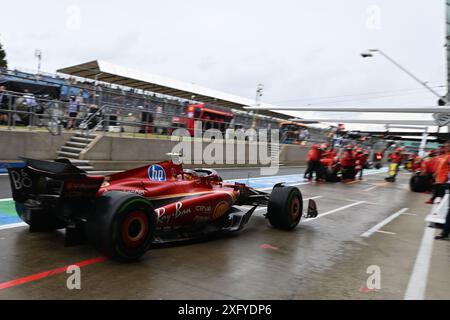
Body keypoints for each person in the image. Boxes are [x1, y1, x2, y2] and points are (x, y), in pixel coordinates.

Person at [435, 142, 450, 240]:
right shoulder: (446, 156)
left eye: (447, 146)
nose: (445, 147)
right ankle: (445, 232)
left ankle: (445, 232)